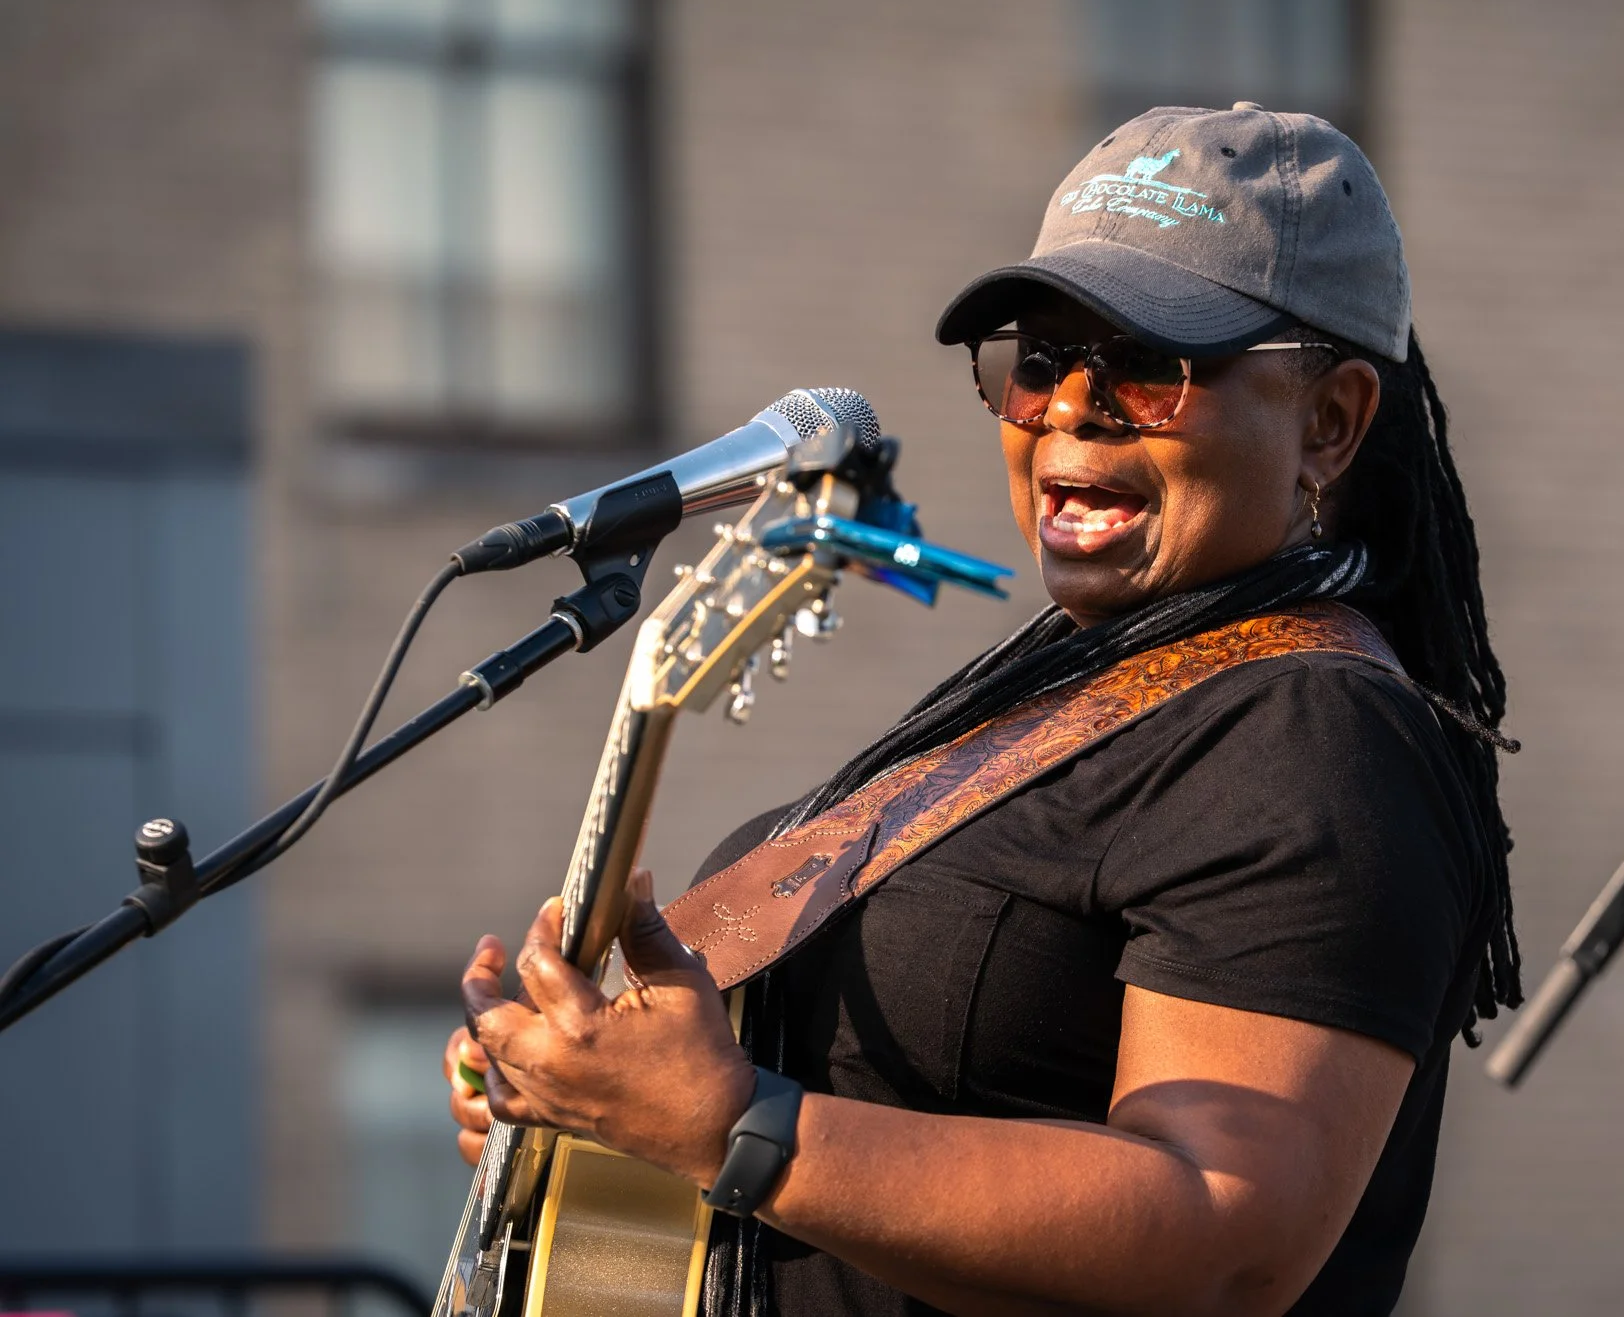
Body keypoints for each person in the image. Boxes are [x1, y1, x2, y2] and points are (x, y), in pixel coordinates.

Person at [447, 102, 1519, 1317]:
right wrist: (583, 1101)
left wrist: (734, 1128)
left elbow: (1223, 1240)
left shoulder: (1309, 735)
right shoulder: (1054, 702)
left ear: (1328, 420)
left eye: (1150, 366)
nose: (1070, 406)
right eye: (1042, 360)